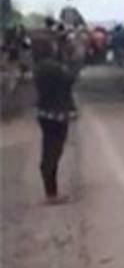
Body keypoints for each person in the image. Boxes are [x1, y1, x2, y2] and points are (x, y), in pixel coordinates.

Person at [32, 36, 74, 203]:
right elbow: (70, 79)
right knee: (53, 152)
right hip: (57, 113)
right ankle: (52, 194)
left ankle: (51, 191)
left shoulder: (39, 67)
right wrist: (68, 59)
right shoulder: (54, 67)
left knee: (49, 149)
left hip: (44, 112)